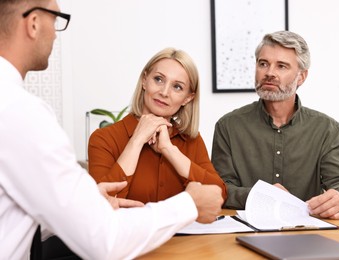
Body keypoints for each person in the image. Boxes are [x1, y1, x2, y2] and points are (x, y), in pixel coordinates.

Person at [0, 0, 223, 259]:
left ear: (187, 97)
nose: (56, 34)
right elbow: (102, 239)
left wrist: (90, 200)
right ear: (34, 23)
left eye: (177, 86)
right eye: (56, 19)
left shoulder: (14, 108)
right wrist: (188, 205)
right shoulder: (21, 113)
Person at [211, 30, 339, 220]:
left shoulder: (327, 130)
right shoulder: (228, 126)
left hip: (309, 236)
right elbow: (220, 188)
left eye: (281, 66)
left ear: (301, 77)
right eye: (263, 64)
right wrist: (263, 196)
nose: (269, 73)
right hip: (244, 234)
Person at [88, 48, 228, 203]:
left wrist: (169, 150)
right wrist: (136, 141)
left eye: (177, 87)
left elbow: (218, 196)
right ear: (144, 80)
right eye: (159, 79)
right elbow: (102, 205)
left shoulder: (191, 140)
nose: (164, 92)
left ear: (187, 98)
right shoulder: (103, 138)